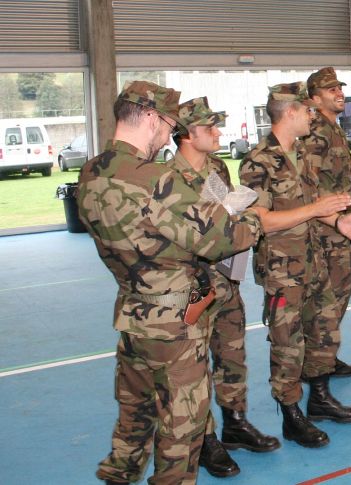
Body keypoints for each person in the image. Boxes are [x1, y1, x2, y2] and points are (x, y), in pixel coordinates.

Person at [78, 81, 264, 485]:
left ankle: (119, 476)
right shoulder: (155, 178)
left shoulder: (92, 170)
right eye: (166, 123)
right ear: (149, 117)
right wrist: (250, 217)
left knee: (134, 415)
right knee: (183, 425)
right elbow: (221, 241)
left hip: (132, 312)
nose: (168, 132)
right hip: (175, 322)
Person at [239, 82, 351, 448]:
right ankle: (292, 414)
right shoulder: (257, 162)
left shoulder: (301, 155)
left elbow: (312, 203)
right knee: (288, 343)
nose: (313, 115)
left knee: (325, 330)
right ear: (290, 112)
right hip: (282, 269)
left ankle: (320, 397)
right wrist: (317, 210)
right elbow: (259, 219)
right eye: (307, 110)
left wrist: (339, 222)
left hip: (314, 259)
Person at [168, 97, 280, 479]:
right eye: (209, 127)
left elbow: (225, 213)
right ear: (187, 135)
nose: (218, 133)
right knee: (194, 367)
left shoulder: (215, 166)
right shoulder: (168, 179)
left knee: (232, 354)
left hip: (226, 278)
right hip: (193, 285)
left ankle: (235, 422)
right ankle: (205, 441)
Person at [303, 67, 351, 379]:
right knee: (325, 299)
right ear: (314, 99)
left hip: (339, 227)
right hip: (323, 231)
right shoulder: (316, 132)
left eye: (339, 88)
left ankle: (326, 354)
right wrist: (336, 218)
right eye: (330, 90)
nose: (339, 93)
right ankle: (314, 363)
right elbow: (308, 186)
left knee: (339, 293)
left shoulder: (333, 128)